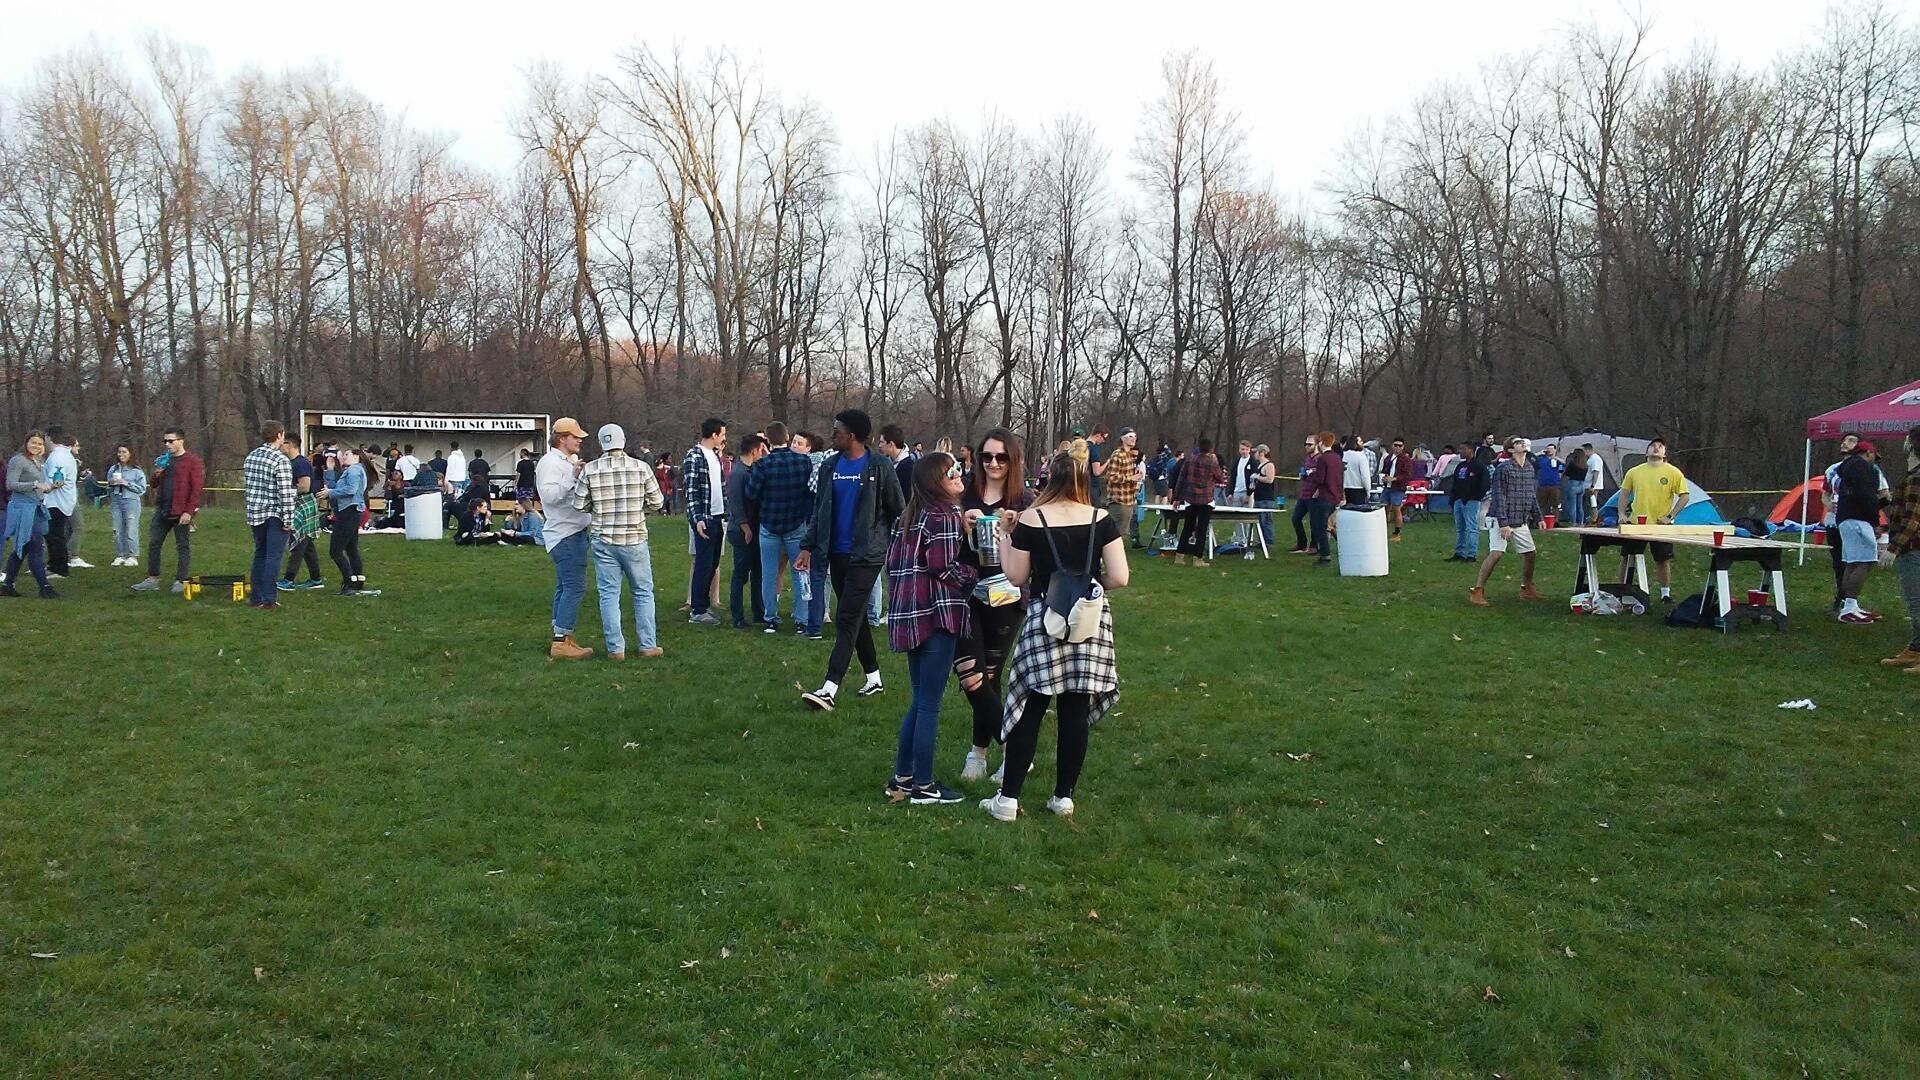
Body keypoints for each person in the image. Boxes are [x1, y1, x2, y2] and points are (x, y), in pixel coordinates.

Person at [980, 451, 1129, 822]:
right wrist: (1090, 587)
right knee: (1075, 709)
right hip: (1090, 621)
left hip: (1046, 616)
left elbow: (1015, 576)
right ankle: (1063, 798)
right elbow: (1120, 576)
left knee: (1031, 706)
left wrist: (1005, 537)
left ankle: (1008, 799)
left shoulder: (1032, 519)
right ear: (1083, 481)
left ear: (1049, 480)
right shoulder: (1102, 519)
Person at [881, 452, 978, 806]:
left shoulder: (910, 516)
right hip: (937, 616)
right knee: (929, 705)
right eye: (951, 471)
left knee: (919, 700)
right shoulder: (945, 514)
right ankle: (923, 785)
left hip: (908, 616)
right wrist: (975, 575)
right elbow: (943, 566)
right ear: (935, 480)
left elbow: (896, 564)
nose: (958, 475)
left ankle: (902, 777)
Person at [798, 409, 904, 711]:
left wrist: (890, 543)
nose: (833, 436)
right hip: (837, 553)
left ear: (852, 435)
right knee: (854, 617)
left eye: (837, 431)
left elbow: (898, 508)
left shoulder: (879, 466)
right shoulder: (830, 465)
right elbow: (820, 510)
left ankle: (829, 688)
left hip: (867, 555)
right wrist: (807, 547)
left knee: (846, 618)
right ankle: (874, 678)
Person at [956, 429, 1031, 783]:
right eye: (986, 457)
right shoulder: (964, 495)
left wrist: (1014, 531)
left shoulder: (1024, 500)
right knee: (971, 675)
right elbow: (944, 547)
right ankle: (1016, 746)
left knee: (989, 677)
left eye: (1001, 457)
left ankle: (978, 755)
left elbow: (1033, 557)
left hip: (1006, 595)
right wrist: (960, 525)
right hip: (965, 593)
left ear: (1013, 460)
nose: (993, 463)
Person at [574, 423, 666, 659]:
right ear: (623, 441)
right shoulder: (641, 467)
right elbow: (657, 502)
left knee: (609, 594)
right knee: (643, 592)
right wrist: (639, 511)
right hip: (635, 538)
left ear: (601, 443)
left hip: (604, 539)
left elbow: (579, 505)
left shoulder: (590, 470)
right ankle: (648, 645)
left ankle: (616, 649)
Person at [537, 418, 596, 660]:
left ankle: (562, 636)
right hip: (565, 534)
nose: (580, 439)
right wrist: (572, 477)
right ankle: (561, 641)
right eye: (575, 436)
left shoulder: (567, 461)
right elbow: (549, 497)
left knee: (564, 587)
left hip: (572, 533)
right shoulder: (550, 463)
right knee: (574, 587)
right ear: (562, 438)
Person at [749, 421, 815, 635]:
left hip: (769, 523)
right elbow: (810, 492)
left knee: (769, 573)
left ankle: (770, 618)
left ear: (768, 440)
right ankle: (801, 620)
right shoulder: (803, 462)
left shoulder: (763, 464)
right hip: (796, 522)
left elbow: (751, 494)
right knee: (801, 572)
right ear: (787, 437)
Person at [1468, 437, 1545, 606]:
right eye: (1518, 442)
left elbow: (1531, 495)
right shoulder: (1503, 468)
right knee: (1496, 553)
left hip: (1520, 519)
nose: (1523, 444)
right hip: (1500, 518)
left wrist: (1538, 517)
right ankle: (1478, 590)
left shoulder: (1530, 468)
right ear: (1511, 450)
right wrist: (1503, 523)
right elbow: (1499, 496)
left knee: (1530, 554)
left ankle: (1527, 588)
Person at [1615, 437, 1690, 603]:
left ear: (1665, 453)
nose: (1656, 448)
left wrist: (1670, 516)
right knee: (1627, 557)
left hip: (1660, 525)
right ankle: (1620, 589)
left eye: (1660, 446)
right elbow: (1624, 494)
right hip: (1636, 524)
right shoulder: (1634, 472)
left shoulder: (1674, 473)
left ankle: (1665, 594)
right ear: (1646, 452)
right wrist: (1621, 514)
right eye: (1653, 446)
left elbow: (1685, 497)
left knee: (1662, 559)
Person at [131, 427, 203, 594]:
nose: (167, 444)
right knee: (154, 543)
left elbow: (196, 489)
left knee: (182, 546)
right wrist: (157, 474)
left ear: (181, 441)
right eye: (165, 441)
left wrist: (189, 512)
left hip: (181, 511)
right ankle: (152, 578)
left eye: (171, 441)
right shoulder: (165, 460)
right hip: (163, 508)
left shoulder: (192, 461)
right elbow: (154, 484)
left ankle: (181, 579)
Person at [1831, 439, 1887, 624]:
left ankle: (1849, 605)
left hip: (1845, 518)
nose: (1874, 462)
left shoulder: (1845, 468)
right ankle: (1849, 607)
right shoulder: (1863, 467)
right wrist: (1875, 521)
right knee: (1866, 560)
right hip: (1859, 520)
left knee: (1852, 562)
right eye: (1873, 457)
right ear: (1868, 453)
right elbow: (1867, 496)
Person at [243, 422, 297, 610]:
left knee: (260, 554)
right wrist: (288, 520)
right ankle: (269, 599)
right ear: (280, 435)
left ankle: (256, 598)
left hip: (255, 512)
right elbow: (285, 493)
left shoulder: (251, 456)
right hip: (274, 514)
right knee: (273, 558)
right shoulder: (280, 460)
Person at [682, 417, 730, 626]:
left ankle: (704, 603)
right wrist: (698, 519)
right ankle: (697, 610)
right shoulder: (695, 456)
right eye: (723, 434)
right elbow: (692, 490)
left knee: (713, 562)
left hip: (718, 516)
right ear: (714, 435)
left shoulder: (714, 456)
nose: (724, 438)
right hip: (705, 518)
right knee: (703, 563)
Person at [2, 431, 60, 598]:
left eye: (40, 444)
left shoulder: (38, 461)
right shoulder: (18, 460)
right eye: (33, 443)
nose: (36, 446)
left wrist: (51, 487)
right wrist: (35, 485)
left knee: (24, 547)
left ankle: (7, 585)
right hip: (23, 509)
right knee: (36, 547)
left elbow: (40, 486)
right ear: (26, 443)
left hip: (35, 507)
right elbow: (11, 484)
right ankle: (45, 587)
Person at [1882, 426, 1920, 670]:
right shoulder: (1913, 474)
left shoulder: (1917, 477)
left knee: (1917, 602)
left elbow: (1914, 518)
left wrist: (1892, 548)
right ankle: (1916, 649)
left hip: (1913, 548)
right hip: (1911, 546)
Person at [725, 432, 768, 629]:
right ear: (753, 451)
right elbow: (735, 504)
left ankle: (759, 612)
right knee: (740, 574)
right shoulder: (738, 473)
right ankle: (737, 615)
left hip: (754, 529)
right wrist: (745, 527)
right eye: (761, 450)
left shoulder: (752, 471)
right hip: (742, 531)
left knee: (758, 572)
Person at [325, 445, 380, 596]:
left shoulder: (354, 470)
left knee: (335, 551)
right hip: (350, 512)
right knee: (351, 548)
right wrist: (330, 471)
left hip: (349, 512)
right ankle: (357, 581)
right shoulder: (351, 471)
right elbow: (333, 491)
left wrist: (330, 492)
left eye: (347, 454)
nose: (344, 456)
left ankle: (348, 583)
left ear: (357, 457)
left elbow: (350, 490)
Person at [1822, 432, 1863, 610]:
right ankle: (1840, 598)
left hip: (1854, 521)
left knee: (1852, 562)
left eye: (1851, 441)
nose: (1845, 443)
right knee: (1838, 562)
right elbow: (1825, 495)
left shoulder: (1867, 468)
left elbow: (1880, 494)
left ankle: (1849, 600)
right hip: (1833, 522)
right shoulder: (1832, 469)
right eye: (1844, 440)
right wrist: (1830, 506)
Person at [1168, 438, 1225, 568]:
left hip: (1191, 499)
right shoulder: (1212, 462)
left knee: (1187, 527)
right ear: (1211, 449)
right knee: (1201, 530)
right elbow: (1220, 478)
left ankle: (1179, 556)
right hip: (1206, 499)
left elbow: (1181, 479)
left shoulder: (1190, 460)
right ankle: (1197, 558)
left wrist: (1177, 498)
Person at [797, 430, 832, 638]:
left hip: (822, 527)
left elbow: (813, 490)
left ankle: (815, 624)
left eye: (799, 443)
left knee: (818, 576)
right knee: (823, 576)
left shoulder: (823, 464)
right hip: (828, 527)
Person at [278, 439, 325, 591]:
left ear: (291, 445)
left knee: (298, 542)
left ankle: (289, 580)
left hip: (303, 504)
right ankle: (316, 578)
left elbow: (305, 486)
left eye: (283, 443)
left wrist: (286, 491)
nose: (280, 446)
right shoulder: (292, 462)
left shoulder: (300, 463)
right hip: (299, 503)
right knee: (307, 545)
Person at [42, 428, 81, 575]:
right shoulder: (65, 455)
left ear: (48, 438)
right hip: (62, 501)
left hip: (57, 502)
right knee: (54, 535)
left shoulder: (58, 457)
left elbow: (58, 480)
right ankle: (54, 565)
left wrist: (43, 488)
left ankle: (59, 568)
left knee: (55, 536)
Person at [105, 443, 148, 567]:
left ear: (130, 454)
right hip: (116, 501)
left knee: (131, 529)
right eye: (119, 452)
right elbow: (108, 487)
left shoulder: (136, 471)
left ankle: (132, 555)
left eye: (124, 452)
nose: (121, 455)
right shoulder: (113, 469)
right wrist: (111, 484)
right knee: (117, 529)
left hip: (131, 502)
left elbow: (141, 489)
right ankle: (120, 554)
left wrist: (126, 483)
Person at [1446, 444, 1491, 562]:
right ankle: (1459, 553)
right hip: (1458, 500)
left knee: (1472, 527)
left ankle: (1472, 554)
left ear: (1471, 450)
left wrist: (1475, 496)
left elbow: (1485, 484)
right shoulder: (1460, 466)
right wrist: (1453, 499)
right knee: (1460, 528)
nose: (1460, 451)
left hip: (1471, 501)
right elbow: (1455, 483)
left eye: (1463, 449)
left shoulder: (1479, 466)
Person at [1101, 427, 1143, 546]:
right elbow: (1111, 477)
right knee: (1115, 534)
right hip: (1119, 501)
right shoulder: (1117, 455)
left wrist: (1136, 477)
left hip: (1129, 500)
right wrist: (1130, 478)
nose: (1133, 439)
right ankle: (1104, 557)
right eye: (1130, 436)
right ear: (1122, 439)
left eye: (1135, 436)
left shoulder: (1129, 455)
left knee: (1121, 533)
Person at [1288, 436, 1320, 554]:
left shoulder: (1320, 459)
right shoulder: (1306, 459)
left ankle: (1314, 546)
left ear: (1316, 445)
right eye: (1305, 444)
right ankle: (1301, 544)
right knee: (1296, 518)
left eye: (1310, 444)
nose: (1307, 446)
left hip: (1314, 494)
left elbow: (1321, 475)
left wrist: (1312, 472)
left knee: (1314, 521)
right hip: (1304, 493)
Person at [1380, 437, 1412, 539]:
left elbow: (1407, 475)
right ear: (1392, 446)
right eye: (1395, 445)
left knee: (1396, 509)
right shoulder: (1388, 458)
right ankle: (1383, 531)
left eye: (1400, 446)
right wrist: (1384, 478)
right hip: (1387, 487)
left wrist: (1394, 479)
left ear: (1403, 447)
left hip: (1398, 488)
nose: (1397, 447)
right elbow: (1384, 470)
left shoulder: (1405, 459)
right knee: (1384, 508)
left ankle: (1397, 533)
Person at [1249, 444, 1278, 549]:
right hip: (1258, 496)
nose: (1254, 454)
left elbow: (1270, 479)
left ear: (1261, 453)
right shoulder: (1258, 465)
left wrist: (1258, 477)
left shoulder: (1269, 465)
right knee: (1260, 520)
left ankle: (1268, 542)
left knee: (1266, 520)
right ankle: (1261, 541)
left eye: (1256, 452)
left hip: (1266, 498)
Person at [880, 423, 916, 500]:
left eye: (882, 442)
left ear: (890, 444)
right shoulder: (887, 464)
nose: (879, 445)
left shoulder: (909, 468)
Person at [1562, 445, 1590, 526]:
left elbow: (1567, 473)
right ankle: (1581, 522)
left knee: (1572, 505)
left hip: (1573, 484)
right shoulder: (1585, 465)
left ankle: (1573, 522)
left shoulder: (1573, 463)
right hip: (1581, 485)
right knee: (1580, 506)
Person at [1535, 444, 1564, 521]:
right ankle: (1540, 520)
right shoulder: (1541, 458)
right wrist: (1539, 453)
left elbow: (1563, 467)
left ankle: (1555, 521)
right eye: (1548, 448)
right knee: (1541, 504)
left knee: (1555, 504)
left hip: (1554, 485)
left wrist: (1556, 458)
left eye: (1551, 448)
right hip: (1542, 484)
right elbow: (1531, 458)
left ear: (1555, 450)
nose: (1549, 450)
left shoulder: (1557, 461)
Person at [1340, 436, 1370, 505]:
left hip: (1344, 489)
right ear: (1355, 444)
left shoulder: (1342, 455)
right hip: (1358, 490)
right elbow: (1365, 476)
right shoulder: (1361, 456)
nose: (1362, 443)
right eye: (1360, 441)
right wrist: (1368, 490)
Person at [1582, 443, 1606, 522]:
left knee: (1593, 503)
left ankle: (1594, 520)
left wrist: (1593, 485)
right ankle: (1592, 519)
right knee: (1590, 503)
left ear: (1588, 450)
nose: (1583, 453)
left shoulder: (1595, 459)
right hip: (1588, 485)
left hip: (1592, 486)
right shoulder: (1590, 458)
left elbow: (1596, 472)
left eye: (1584, 451)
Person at [515, 448, 538, 513]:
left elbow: (518, 474)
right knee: (529, 501)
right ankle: (530, 513)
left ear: (523, 453)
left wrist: (515, 484)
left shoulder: (520, 463)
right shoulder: (532, 464)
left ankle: (522, 513)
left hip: (522, 485)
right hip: (530, 485)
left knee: (521, 501)